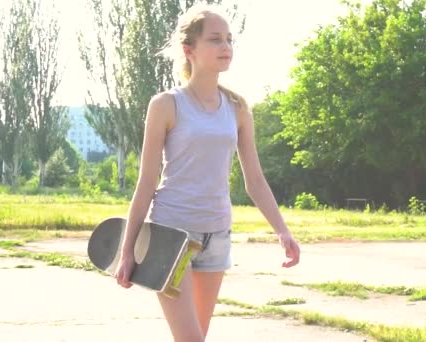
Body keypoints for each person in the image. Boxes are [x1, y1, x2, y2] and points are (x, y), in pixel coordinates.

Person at [114, 4, 300, 342]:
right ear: (189, 50)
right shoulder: (166, 105)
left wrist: (283, 231)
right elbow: (146, 182)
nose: (226, 47)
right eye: (215, 40)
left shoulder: (238, 108)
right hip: (172, 235)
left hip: (216, 236)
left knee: (197, 336)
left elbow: (254, 180)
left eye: (229, 39)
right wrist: (127, 251)